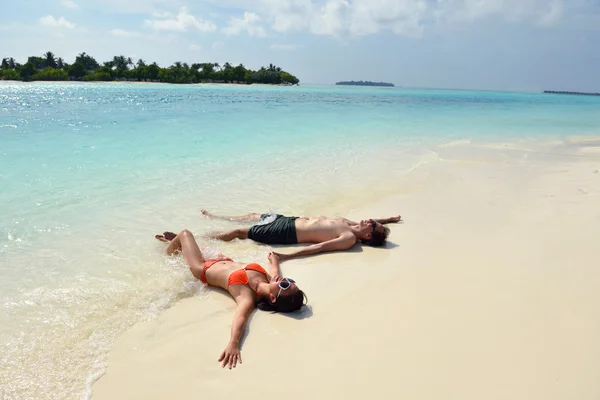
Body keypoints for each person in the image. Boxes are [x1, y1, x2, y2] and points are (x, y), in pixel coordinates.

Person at [155, 229, 306, 369]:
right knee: (192, 243)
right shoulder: (270, 279)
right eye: (290, 281)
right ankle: (176, 245)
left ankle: (166, 251)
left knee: (185, 234)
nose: (284, 280)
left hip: (202, 268)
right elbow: (275, 272)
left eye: (285, 285)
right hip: (220, 260)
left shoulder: (247, 296)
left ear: (273, 298)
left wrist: (233, 345)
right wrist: (274, 261)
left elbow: (240, 318)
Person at [200, 209, 402, 261]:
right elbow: (372, 221)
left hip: (287, 232)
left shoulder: (349, 237)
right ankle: (217, 216)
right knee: (254, 215)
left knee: (240, 233)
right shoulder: (352, 223)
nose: (370, 220)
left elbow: (320, 248)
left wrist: (288, 256)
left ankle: (199, 238)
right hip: (290, 220)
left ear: (368, 235)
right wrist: (388, 219)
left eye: (373, 224)